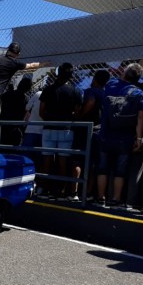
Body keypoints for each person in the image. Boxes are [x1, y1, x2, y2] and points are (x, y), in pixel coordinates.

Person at [95, 63, 143, 208]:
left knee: (103, 167)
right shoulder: (138, 93)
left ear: (124, 73)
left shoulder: (111, 85)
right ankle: (116, 199)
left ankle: (100, 198)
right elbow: (141, 117)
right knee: (120, 169)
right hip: (125, 137)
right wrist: (139, 138)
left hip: (106, 133)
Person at [0, 42, 44, 138]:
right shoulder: (14, 63)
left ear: (8, 50)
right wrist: (44, 63)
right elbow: (31, 65)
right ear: (18, 54)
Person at [39, 63, 82, 200]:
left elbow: (41, 111)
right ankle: (61, 190)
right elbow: (78, 112)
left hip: (49, 128)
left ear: (57, 73)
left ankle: (44, 189)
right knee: (63, 161)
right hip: (66, 129)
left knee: (47, 160)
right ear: (71, 75)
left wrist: (50, 118)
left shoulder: (48, 90)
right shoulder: (74, 91)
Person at [74, 69, 111, 202]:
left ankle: (75, 191)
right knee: (94, 164)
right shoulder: (106, 93)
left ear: (94, 79)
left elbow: (90, 102)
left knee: (79, 159)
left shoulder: (91, 91)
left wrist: (80, 115)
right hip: (100, 130)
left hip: (87, 129)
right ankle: (89, 192)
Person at [0, 77, 33, 146]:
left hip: (3, 124)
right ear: (28, 89)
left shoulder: (7, 94)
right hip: (15, 127)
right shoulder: (26, 99)